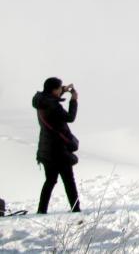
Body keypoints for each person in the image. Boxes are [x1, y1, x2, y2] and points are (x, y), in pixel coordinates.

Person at [32, 77, 80, 214]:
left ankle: (41, 210)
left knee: (50, 180)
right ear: (54, 90)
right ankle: (76, 209)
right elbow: (70, 117)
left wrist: (63, 90)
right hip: (58, 149)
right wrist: (74, 100)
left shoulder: (41, 100)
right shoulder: (53, 106)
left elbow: (51, 99)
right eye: (59, 88)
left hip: (45, 149)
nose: (61, 90)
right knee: (69, 181)